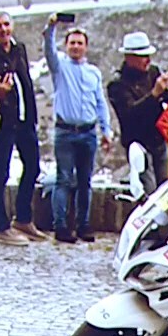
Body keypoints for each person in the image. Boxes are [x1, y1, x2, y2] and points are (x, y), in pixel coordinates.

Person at [0, 10, 44, 245]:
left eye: (6, 25)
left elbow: (25, 82)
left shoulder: (19, 49)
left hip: (25, 119)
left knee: (33, 166)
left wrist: (32, 114)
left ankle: (23, 219)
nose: (3, 30)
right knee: (1, 173)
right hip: (5, 122)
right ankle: (1, 226)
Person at [42, 17, 111, 243]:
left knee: (85, 181)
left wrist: (106, 130)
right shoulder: (60, 67)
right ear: (66, 46)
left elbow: (100, 102)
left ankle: (84, 224)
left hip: (88, 132)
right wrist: (52, 26)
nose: (76, 47)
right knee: (63, 179)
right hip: (65, 132)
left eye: (80, 43)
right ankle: (60, 226)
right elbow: (48, 49)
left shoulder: (93, 72)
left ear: (86, 47)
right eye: (72, 43)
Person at [106, 30, 168, 224]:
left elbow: (161, 102)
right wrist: (154, 94)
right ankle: (150, 226)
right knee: (149, 192)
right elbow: (130, 115)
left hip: (158, 140)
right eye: (142, 56)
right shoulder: (117, 85)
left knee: (167, 189)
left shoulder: (153, 72)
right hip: (138, 145)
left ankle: (167, 226)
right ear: (129, 57)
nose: (147, 60)